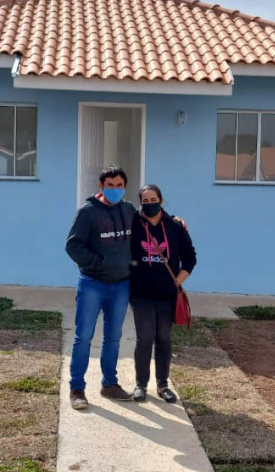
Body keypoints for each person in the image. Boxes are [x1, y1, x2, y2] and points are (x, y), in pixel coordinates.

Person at [65, 166, 138, 410]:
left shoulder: (128, 210)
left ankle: (109, 384)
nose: (115, 190)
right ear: (101, 186)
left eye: (119, 186)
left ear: (124, 187)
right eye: (110, 185)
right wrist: (99, 264)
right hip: (92, 284)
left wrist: (176, 222)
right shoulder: (87, 213)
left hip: (121, 285)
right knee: (83, 336)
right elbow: (73, 246)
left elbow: (151, 226)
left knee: (114, 337)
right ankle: (77, 389)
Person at [129, 184, 196, 403]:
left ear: (161, 200)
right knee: (144, 339)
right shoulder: (134, 224)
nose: (150, 204)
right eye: (145, 201)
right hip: (141, 294)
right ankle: (141, 385)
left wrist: (178, 281)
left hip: (167, 295)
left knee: (164, 338)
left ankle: (163, 384)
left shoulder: (174, 226)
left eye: (153, 199)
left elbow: (190, 257)